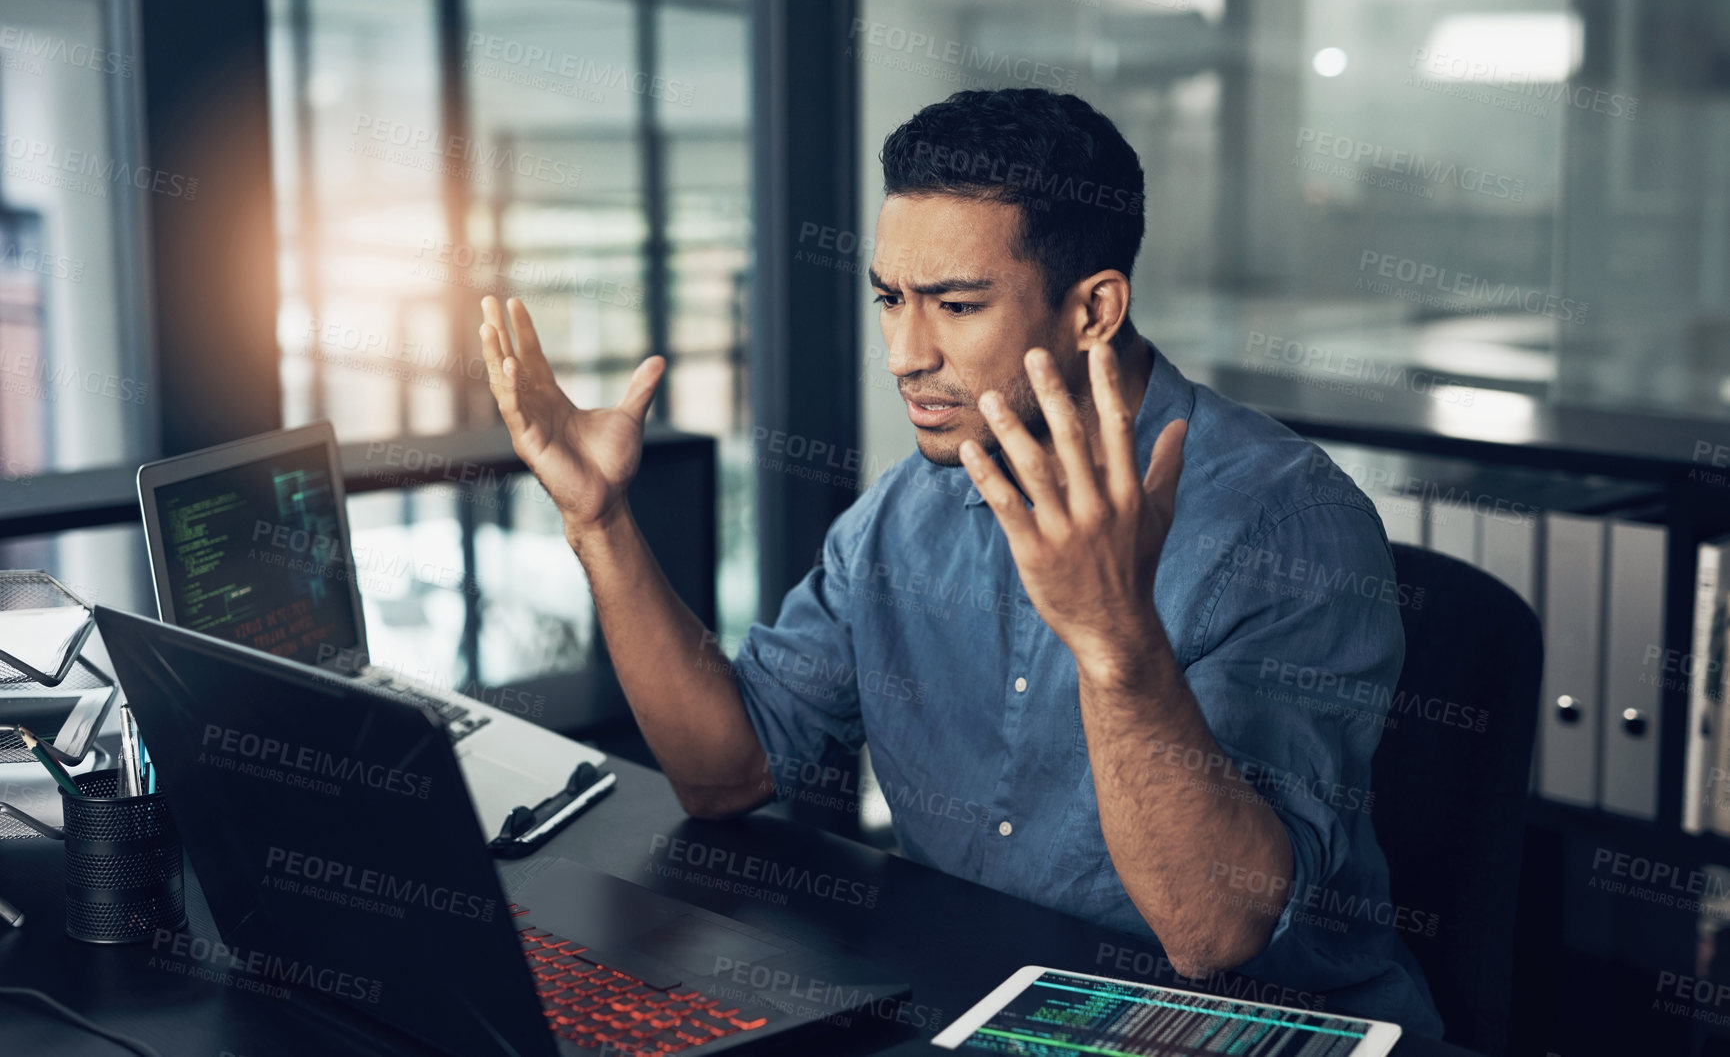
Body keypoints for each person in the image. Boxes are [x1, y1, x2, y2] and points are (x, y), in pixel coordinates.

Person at [478, 87, 1442, 1035]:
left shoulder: (1285, 519)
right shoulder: (905, 509)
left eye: (957, 304)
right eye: (890, 300)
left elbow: (1216, 934)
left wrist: (1117, 642)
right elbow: (725, 774)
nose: (904, 351)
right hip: (971, 993)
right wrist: (599, 520)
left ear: (1095, 309)